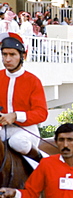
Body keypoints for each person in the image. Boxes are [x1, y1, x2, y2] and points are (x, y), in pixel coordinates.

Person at [0, 32, 48, 163]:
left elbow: (41, 113)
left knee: (17, 142)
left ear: (23, 56)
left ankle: (43, 163)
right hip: (2, 130)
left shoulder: (33, 81)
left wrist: (15, 116)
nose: (7, 59)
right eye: (4, 54)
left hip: (26, 131)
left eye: (12, 55)